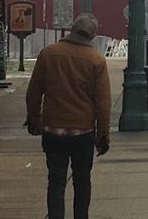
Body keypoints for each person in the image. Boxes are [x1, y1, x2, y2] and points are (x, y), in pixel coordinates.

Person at [26, 13, 111, 219]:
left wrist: (34, 119)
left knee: (56, 180)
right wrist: (103, 135)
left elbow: (34, 91)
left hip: (53, 129)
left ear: (71, 30)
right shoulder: (96, 61)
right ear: (91, 36)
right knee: (82, 180)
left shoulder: (48, 54)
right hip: (83, 131)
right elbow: (103, 103)